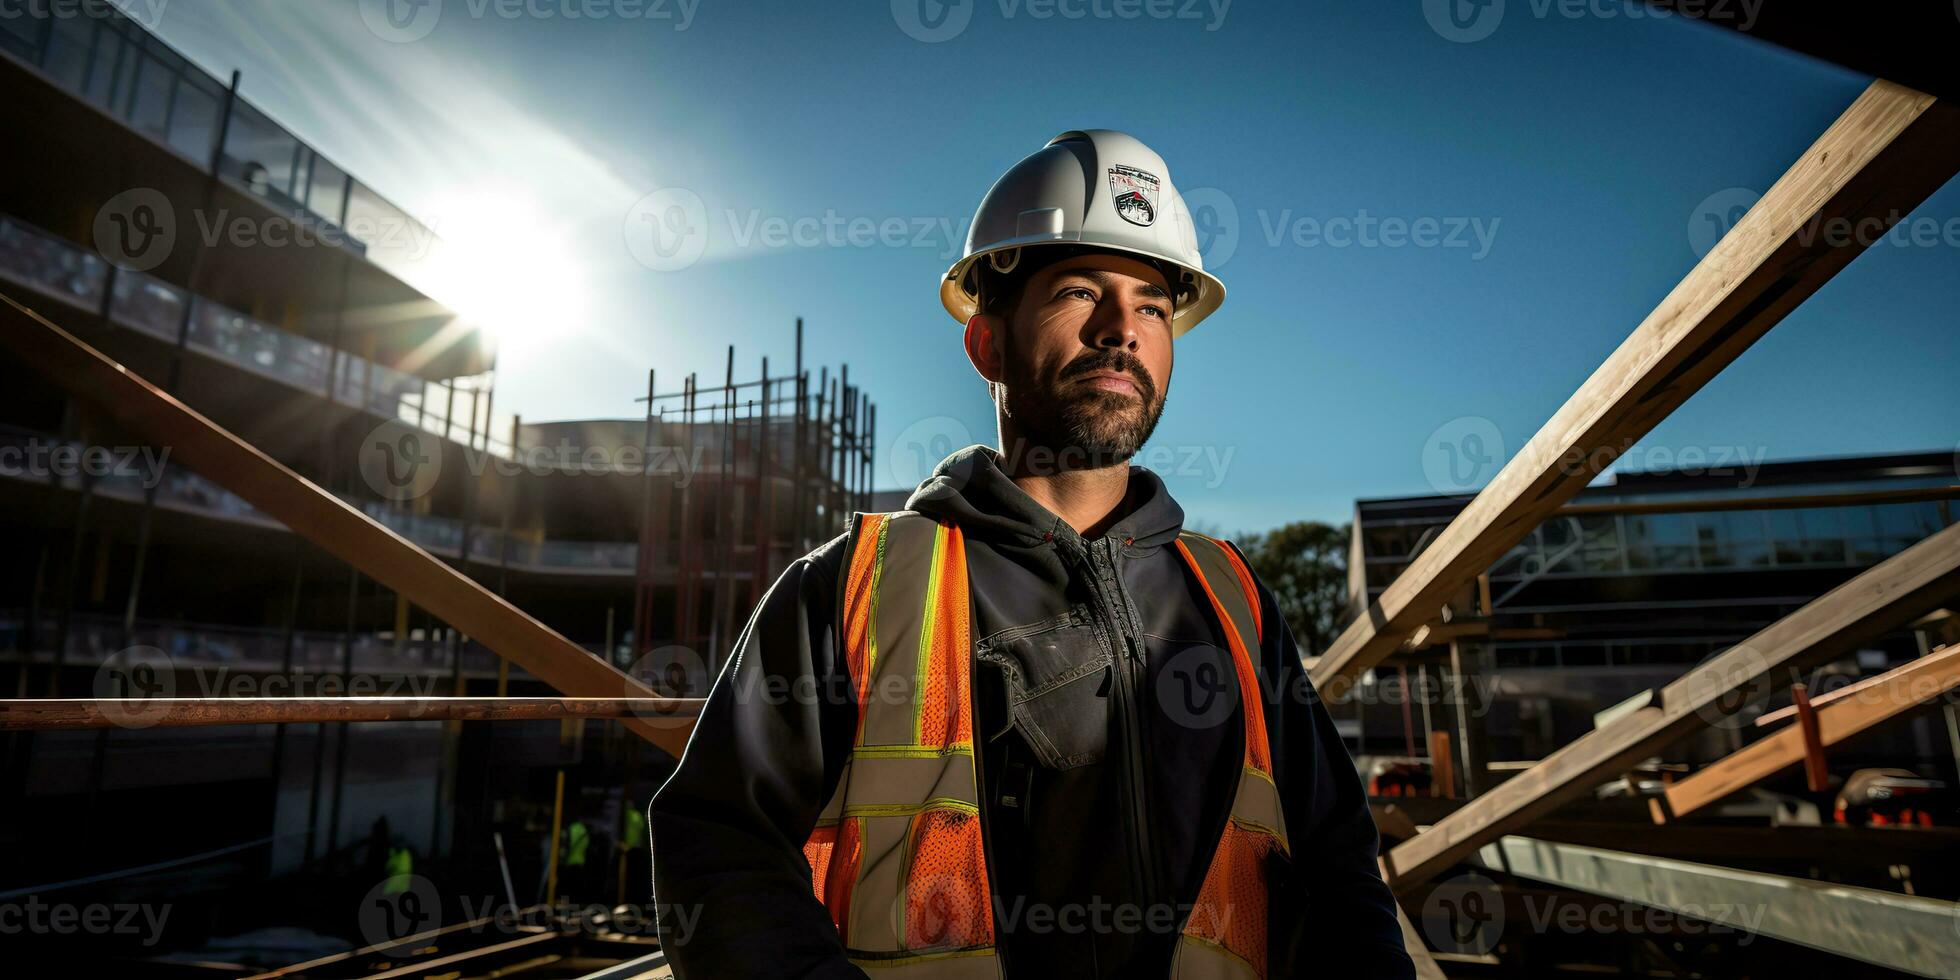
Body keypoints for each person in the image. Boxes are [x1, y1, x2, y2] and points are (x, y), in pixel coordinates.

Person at [651, 130, 1413, 978]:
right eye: (1080, 291)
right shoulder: (854, 587)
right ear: (988, 345)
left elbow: (1339, 864)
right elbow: (720, 847)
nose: (1123, 328)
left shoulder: (1232, 598)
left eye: (1153, 305)